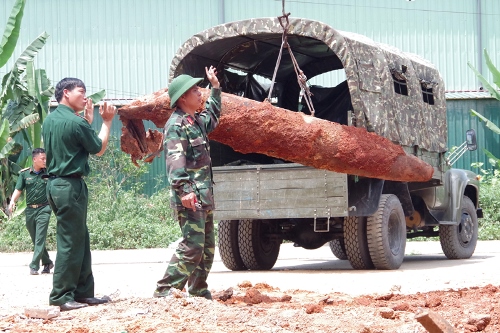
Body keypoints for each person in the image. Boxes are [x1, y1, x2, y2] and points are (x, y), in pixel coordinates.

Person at [42, 77, 116, 312]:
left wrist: (87, 121)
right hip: (70, 186)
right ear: (66, 93)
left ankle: (83, 292)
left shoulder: (50, 120)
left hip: (56, 186)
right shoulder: (76, 123)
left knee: (79, 237)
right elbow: (99, 149)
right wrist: (106, 122)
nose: (85, 97)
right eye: (81, 92)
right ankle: (61, 296)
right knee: (70, 242)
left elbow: (71, 143)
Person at [154, 66, 221, 300]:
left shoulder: (195, 121)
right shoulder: (176, 125)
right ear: (183, 97)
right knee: (192, 247)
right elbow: (175, 161)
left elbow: (212, 116)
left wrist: (216, 88)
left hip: (204, 196)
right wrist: (184, 190)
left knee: (207, 248)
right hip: (190, 197)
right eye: (195, 90)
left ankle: (199, 291)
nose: (199, 93)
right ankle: (164, 291)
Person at [8, 148, 54, 276]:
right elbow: (18, 189)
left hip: (44, 208)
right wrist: (12, 201)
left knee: (40, 238)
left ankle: (34, 266)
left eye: (46, 158)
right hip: (29, 210)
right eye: (42, 159)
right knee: (35, 238)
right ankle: (47, 262)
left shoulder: (49, 173)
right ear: (34, 159)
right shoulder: (24, 174)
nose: (45, 161)